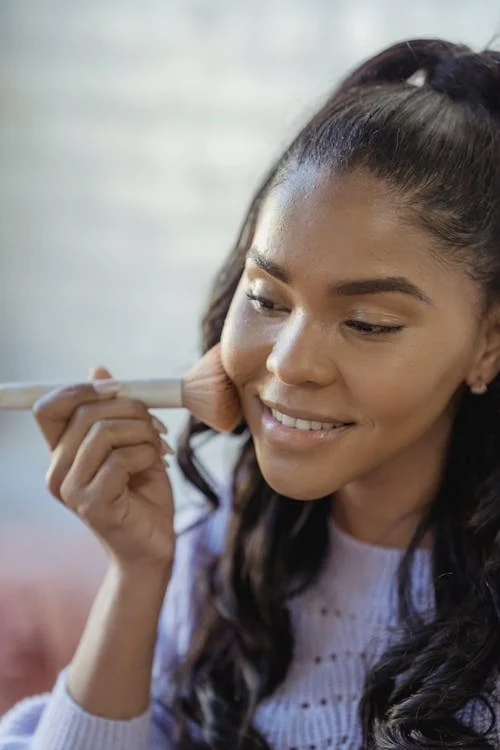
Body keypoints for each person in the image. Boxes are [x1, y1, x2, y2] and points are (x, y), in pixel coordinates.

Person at [1, 36, 500, 750]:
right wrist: (138, 574)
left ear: (489, 342)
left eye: (367, 322)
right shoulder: (221, 555)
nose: (290, 363)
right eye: (266, 298)